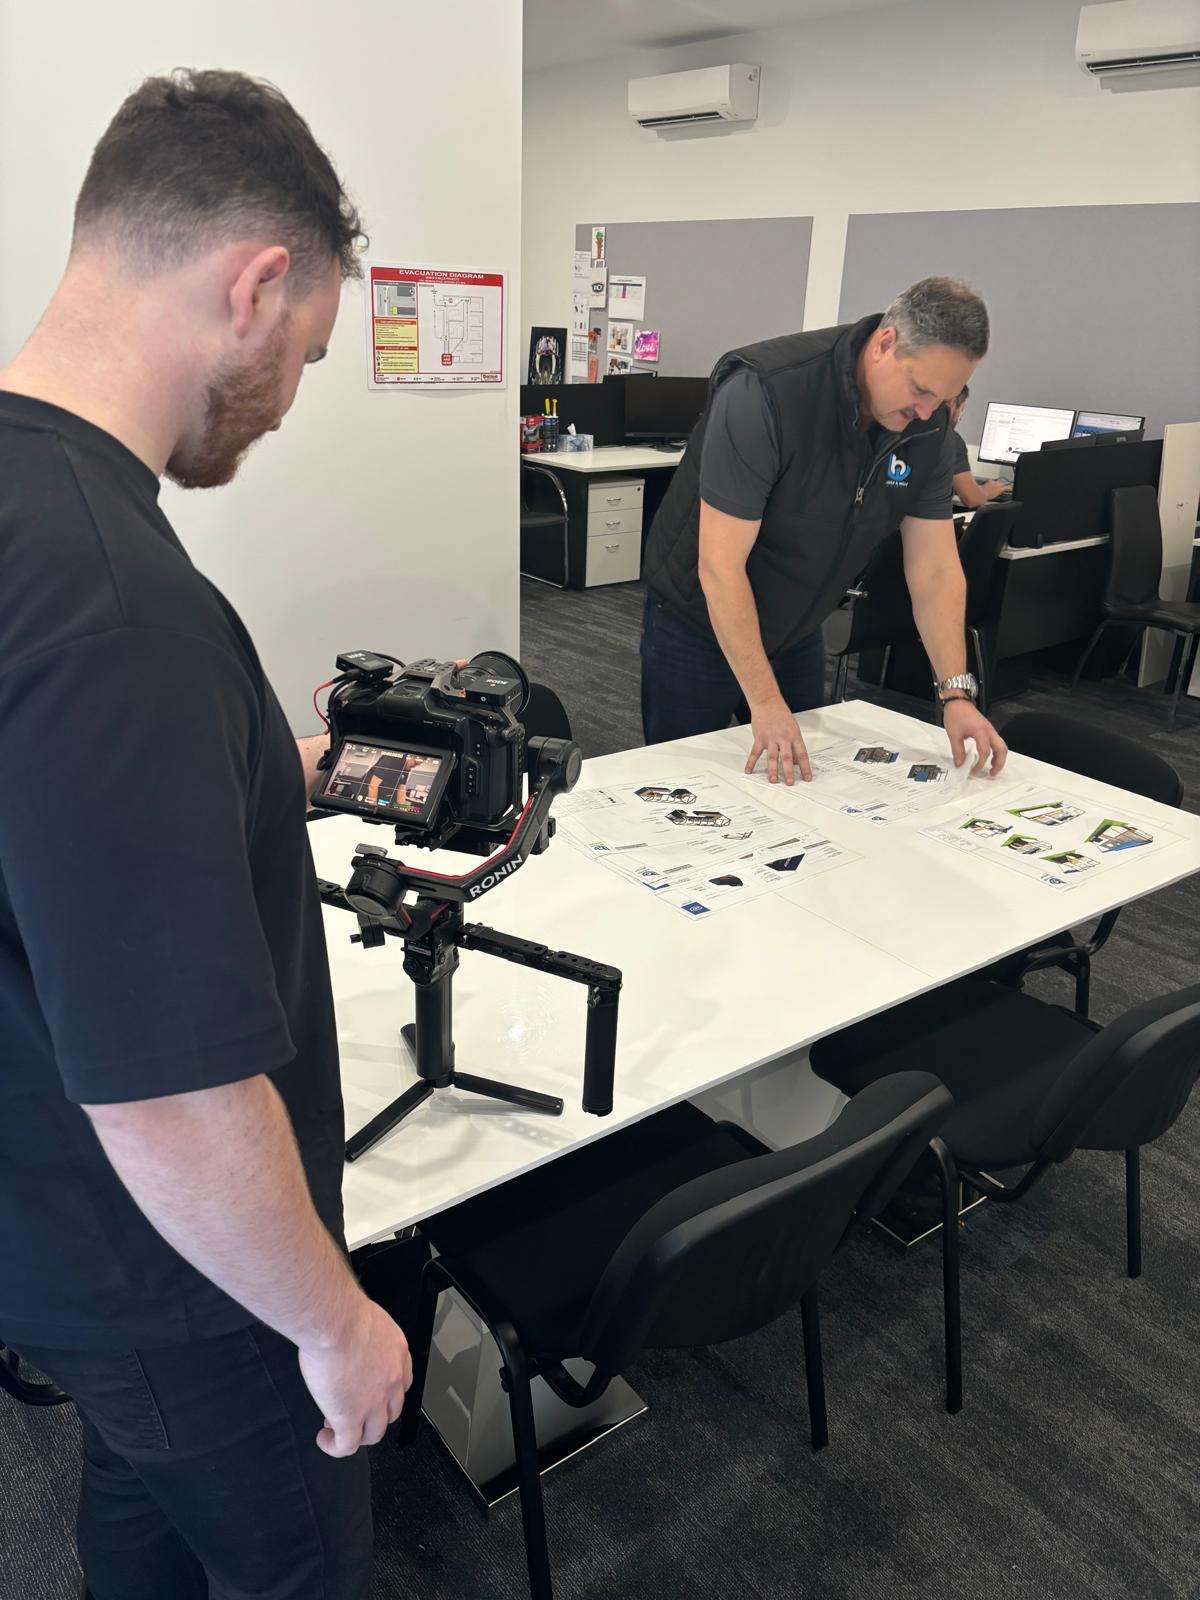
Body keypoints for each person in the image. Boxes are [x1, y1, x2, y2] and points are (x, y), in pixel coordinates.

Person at [0, 71, 411, 1600]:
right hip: (190, 1287)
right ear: (257, 285)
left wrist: (246, 769)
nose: (291, 398)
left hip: (64, 1249)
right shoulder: (117, 603)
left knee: (140, 1518)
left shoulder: (23, 505)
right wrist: (333, 1323)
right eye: (304, 353)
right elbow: (169, 1093)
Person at [641, 277, 1009, 783]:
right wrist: (765, 704)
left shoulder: (928, 427)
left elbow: (936, 569)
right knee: (682, 786)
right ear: (885, 344)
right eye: (921, 390)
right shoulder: (766, 393)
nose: (927, 413)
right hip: (698, 622)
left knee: (800, 784)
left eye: (945, 397)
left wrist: (955, 694)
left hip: (797, 623)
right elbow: (720, 567)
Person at [946, 383, 1008, 508]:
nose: (960, 418)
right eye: (962, 409)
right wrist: (987, 491)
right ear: (952, 404)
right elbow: (972, 499)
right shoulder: (950, 440)